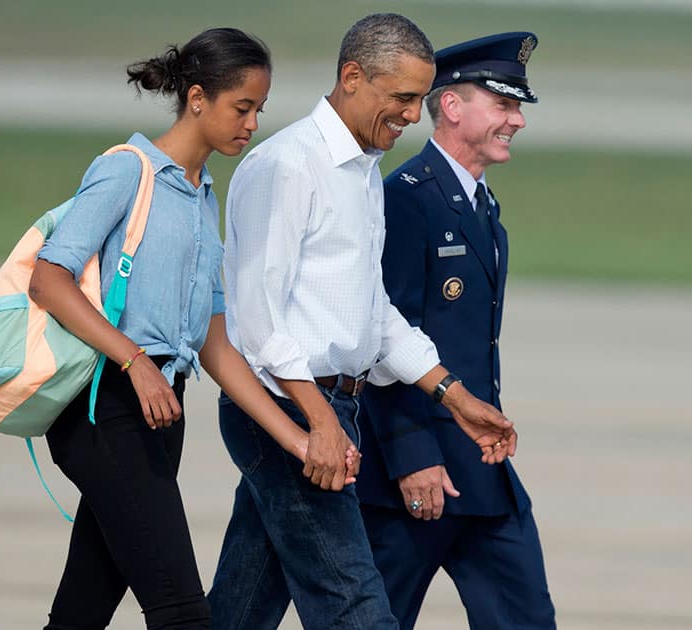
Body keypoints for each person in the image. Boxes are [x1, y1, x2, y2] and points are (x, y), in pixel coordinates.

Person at [208, 13, 518, 630]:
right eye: (401, 97)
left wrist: (455, 396)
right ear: (352, 77)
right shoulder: (288, 166)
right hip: (288, 407)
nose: (411, 114)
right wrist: (320, 424)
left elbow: (375, 318)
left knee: (243, 607)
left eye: (419, 99)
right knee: (354, 604)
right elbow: (258, 326)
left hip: (332, 408)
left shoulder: (363, 173)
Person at [28, 28, 341, 630]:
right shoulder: (127, 171)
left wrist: (297, 440)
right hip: (105, 409)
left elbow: (217, 347)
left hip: (159, 416)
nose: (251, 123)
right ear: (197, 97)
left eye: (259, 110)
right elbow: (49, 279)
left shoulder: (203, 199)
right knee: (182, 614)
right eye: (241, 107)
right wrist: (135, 362)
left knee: (81, 612)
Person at [355, 32, 557, 629]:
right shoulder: (405, 201)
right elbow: (384, 337)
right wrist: (413, 457)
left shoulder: (483, 209)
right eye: (504, 106)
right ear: (452, 106)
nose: (517, 121)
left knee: (526, 618)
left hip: (481, 467)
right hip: (414, 479)